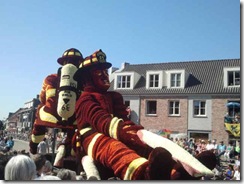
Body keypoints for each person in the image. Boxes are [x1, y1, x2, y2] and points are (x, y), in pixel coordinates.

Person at [73, 49, 215, 180]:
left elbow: (123, 119)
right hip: (92, 137)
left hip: (114, 130)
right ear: (88, 77)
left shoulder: (113, 96)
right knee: (113, 148)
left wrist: (136, 135)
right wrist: (131, 133)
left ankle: (178, 171)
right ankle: (142, 174)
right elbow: (101, 120)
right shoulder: (85, 99)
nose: (105, 75)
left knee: (146, 148)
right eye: (99, 72)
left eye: (106, 71)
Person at [29, 48, 84, 168]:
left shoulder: (50, 78)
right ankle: (69, 148)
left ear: (62, 62)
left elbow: (43, 98)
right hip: (74, 118)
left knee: (40, 112)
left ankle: (33, 146)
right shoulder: (84, 80)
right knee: (78, 127)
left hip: (51, 117)